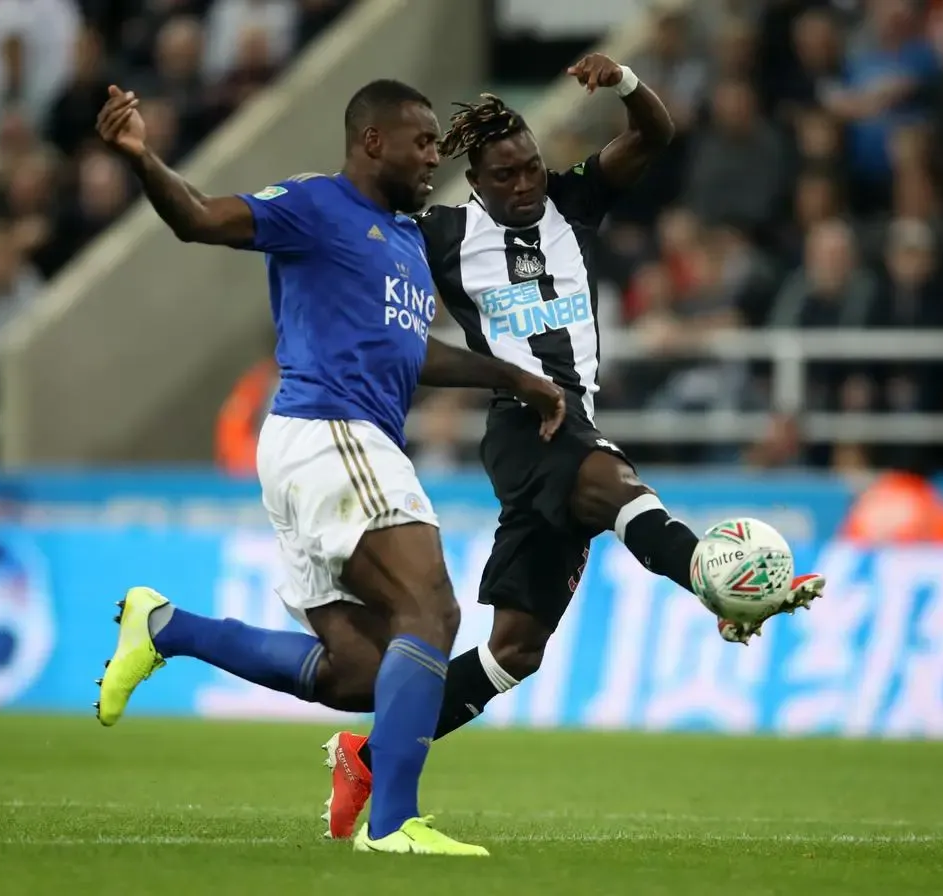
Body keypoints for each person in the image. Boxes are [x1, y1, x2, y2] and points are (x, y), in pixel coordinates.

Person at [319, 54, 827, 839]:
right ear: (477, 184)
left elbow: (654, 131)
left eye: (530, 168)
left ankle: (373, 758)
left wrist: (624, 80)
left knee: (514, 653)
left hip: (576, 414)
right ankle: (711, 581)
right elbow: (369, 254)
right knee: (615, 485)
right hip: (527, 428)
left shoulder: (574, 201)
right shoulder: (444, 237)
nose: (524, 186)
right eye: (506, 177)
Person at [91, 79, 566, 857]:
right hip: (331, 431)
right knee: (432, 610)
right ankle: (394, 825)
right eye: (420, 145)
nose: (431, 161)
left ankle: (167, 627)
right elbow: (201, 219)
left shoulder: (405, 240)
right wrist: (143, 159)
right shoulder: (314, 206)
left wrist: (512, 377)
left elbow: (410, 353)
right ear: (372, 140)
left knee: (359, 673)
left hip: (322, 446)